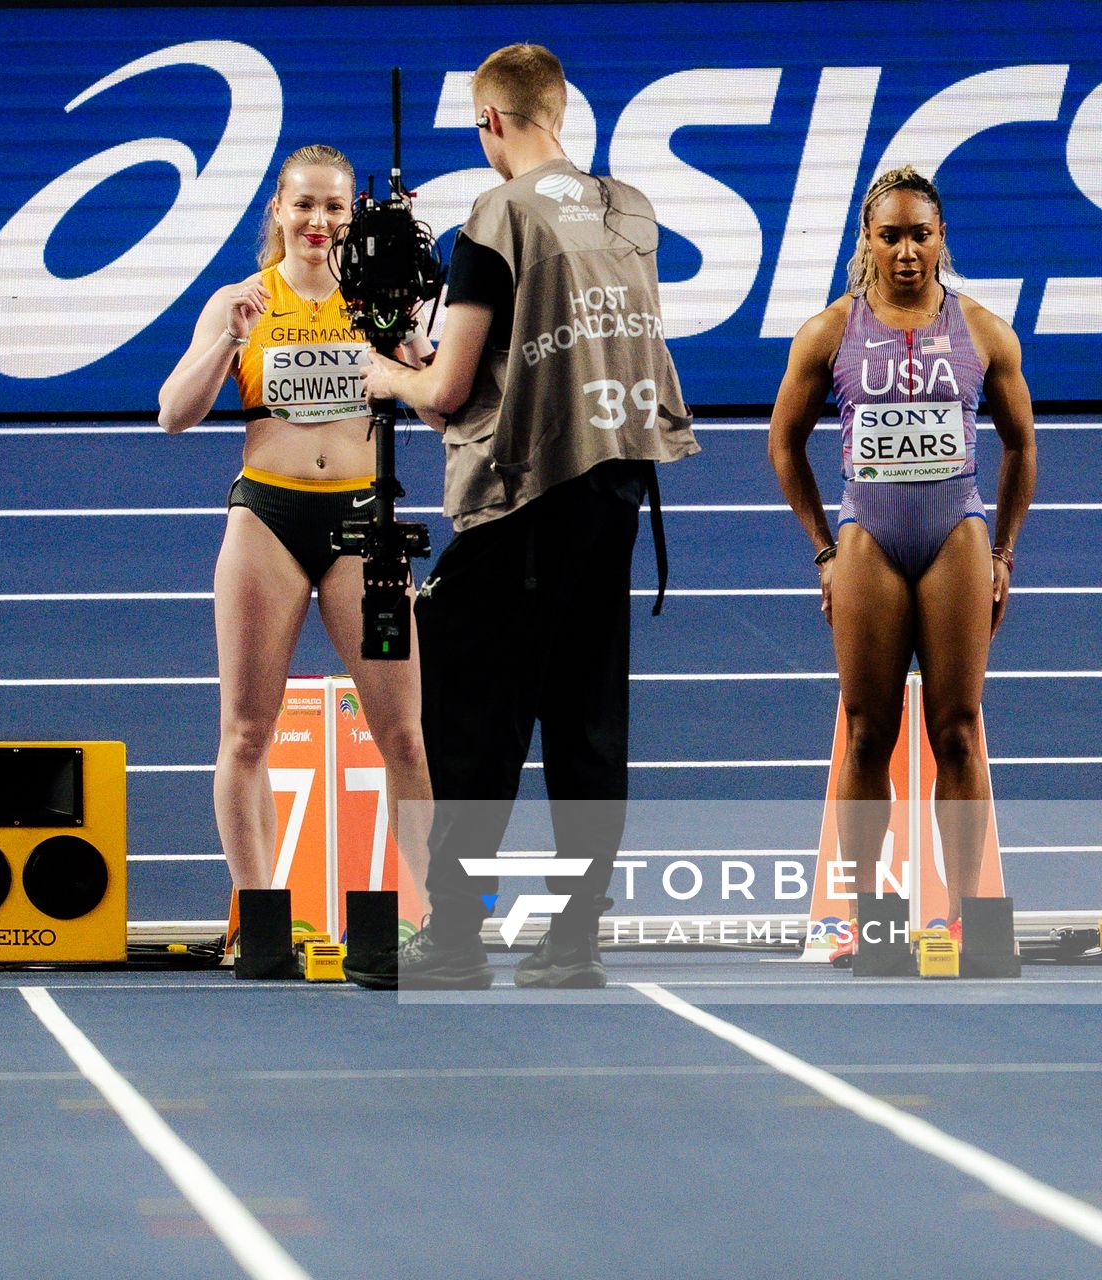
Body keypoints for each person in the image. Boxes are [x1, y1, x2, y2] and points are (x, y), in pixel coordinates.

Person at [363, 44, 699, 989]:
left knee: (475, 726)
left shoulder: (494, 217)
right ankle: (573, 942)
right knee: (589, 725)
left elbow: (447, 390)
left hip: (520, 502)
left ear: (490, 124)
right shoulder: (628, 210)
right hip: (615, 487)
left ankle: (457, 938)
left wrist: (385, 368)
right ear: (559, 112)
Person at [157, 144, 436, 919]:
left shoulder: (378, 302)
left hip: (361, 524)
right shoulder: (241, 298)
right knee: (246, 732)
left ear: (354, 215)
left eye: (334, 207)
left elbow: (440, 409)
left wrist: (409, 336)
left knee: (406, 737)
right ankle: (261, 916)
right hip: (267, 520)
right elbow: (172, 415)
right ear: (277, 210)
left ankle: (430, 915)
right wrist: (226, 341)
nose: (319, 221)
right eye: (304, 205)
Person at [766, 164, 1036, 953]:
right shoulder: (827, 333)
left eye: (922, 234)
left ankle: (966, 916)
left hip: (956, 535)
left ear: (942, 236)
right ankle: (862, 916)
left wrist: (1006, 553)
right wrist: (823, 547)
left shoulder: (985, 332)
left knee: (956, 731)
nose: (909, 251)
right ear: (868, 243)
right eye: (892, 236)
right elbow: (783, 445)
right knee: (865, 733)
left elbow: (1021, 446)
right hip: (867, 544)